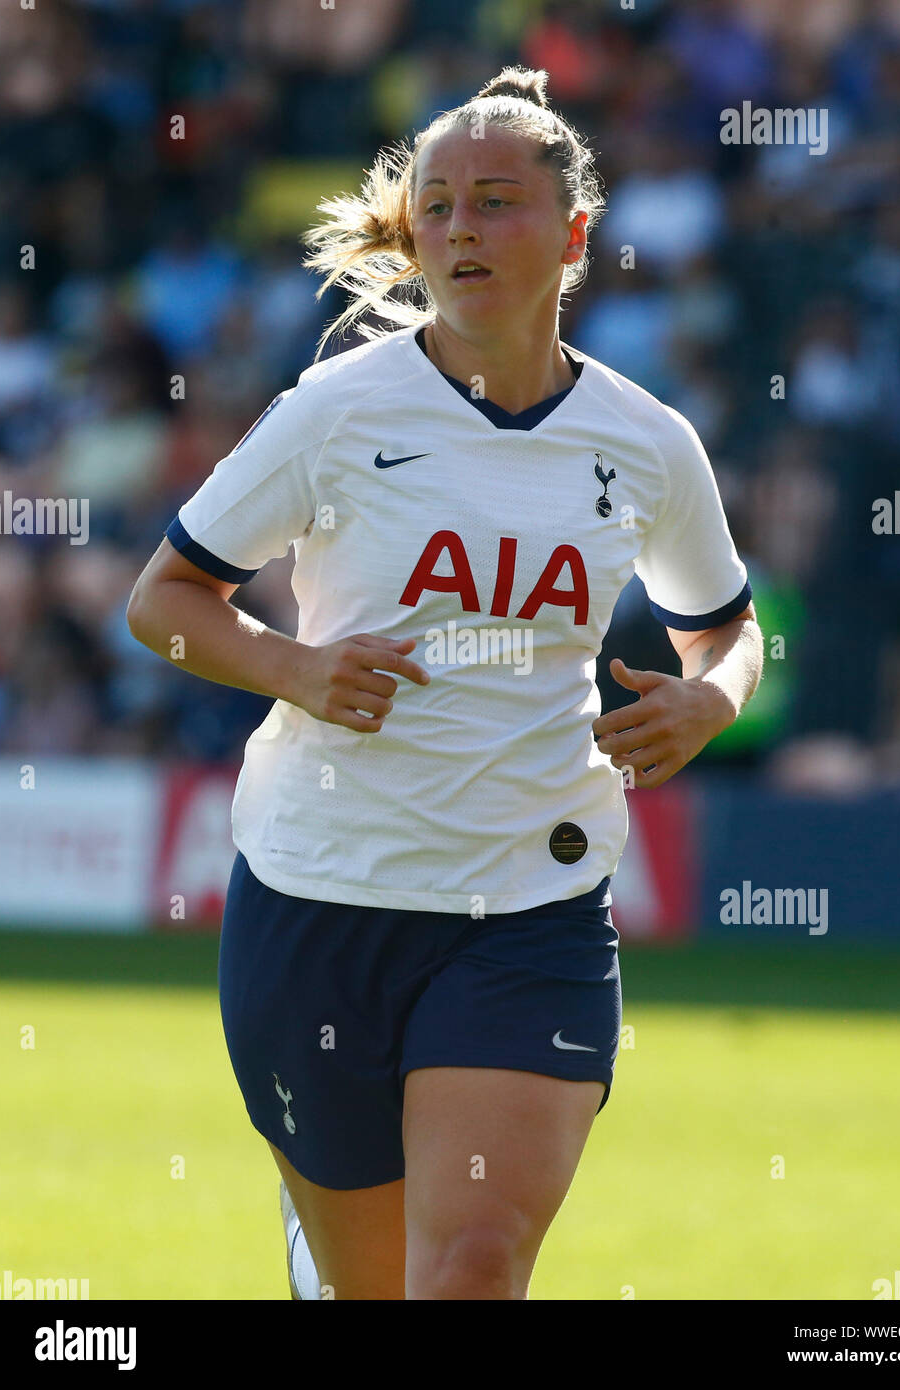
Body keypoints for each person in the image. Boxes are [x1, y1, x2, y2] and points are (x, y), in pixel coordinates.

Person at [126, 66, 763, 1301]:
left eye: (496, 202)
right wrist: (296, 668)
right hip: (320, 893)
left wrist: (714, 697)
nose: (462, 228)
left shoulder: (648, 442)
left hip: (532, 898)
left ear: (575, 233)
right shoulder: (334, 412)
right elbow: (163, 599)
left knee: (469, 1270)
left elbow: (729, 630)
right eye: (439, 207)